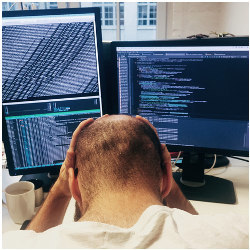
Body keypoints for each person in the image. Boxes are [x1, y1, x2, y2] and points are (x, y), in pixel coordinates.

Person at [3, 115, 248, 248]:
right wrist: (168, 178)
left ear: (74, 186)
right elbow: (202, 233)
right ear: (166, 178)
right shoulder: (237, 235)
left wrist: (59, 189)